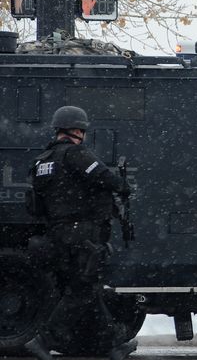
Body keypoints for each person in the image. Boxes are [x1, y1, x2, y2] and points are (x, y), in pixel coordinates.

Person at [23, 106, 136, 360]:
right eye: (81, 131)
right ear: (77, 130)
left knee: (89, 290)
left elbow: (36, 205)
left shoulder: (43, 160)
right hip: (83, 235)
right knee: (83, 290)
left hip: (57, 234)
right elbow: (105, 178)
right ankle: (44, 340)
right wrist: (123, 186)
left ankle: (111, 346)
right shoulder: (76, 154)